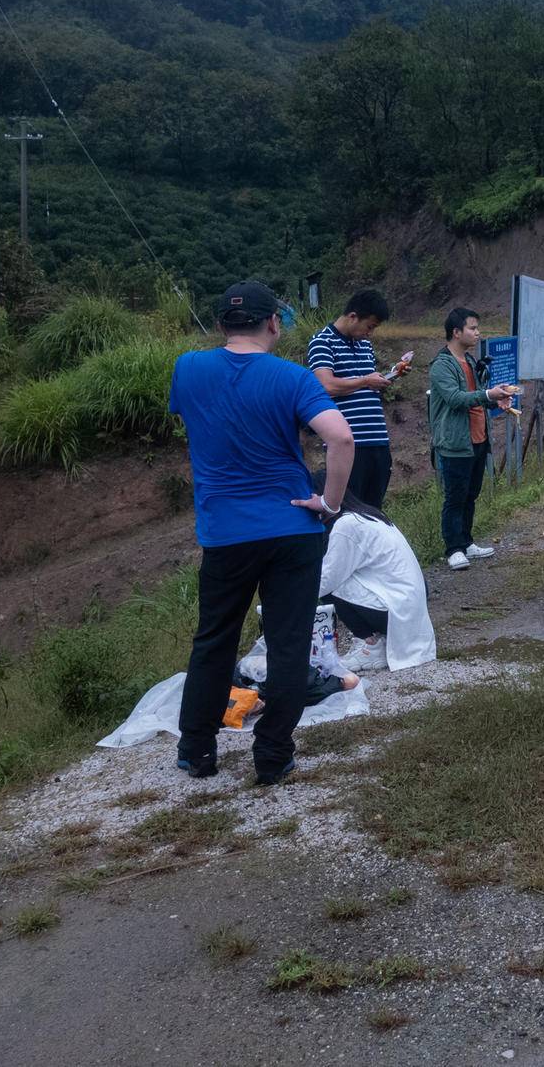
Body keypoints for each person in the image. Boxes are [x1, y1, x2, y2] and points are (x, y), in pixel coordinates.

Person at [168, 279, 354, 787]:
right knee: (289, 643)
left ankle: (197, 752)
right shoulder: (292, 378)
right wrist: (330, 504)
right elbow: (339, 437)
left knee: (214, 640)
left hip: (225, 532)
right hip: (292, 528)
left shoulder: (187, 369)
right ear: (274, 323)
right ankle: (272, 756)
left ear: (221, 325)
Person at [427, 307, 518, 572]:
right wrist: (489, 394)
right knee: (455, 497)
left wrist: (496, 401)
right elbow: (456, 399)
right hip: (456, 442)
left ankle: (466, 542)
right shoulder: (442, 365)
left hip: (477, 438)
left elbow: (476, 399)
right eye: (472, 328)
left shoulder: (469, 361)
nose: (478, 333)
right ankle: (453, 548)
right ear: (456, 332)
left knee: (471, 494)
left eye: (477, 328)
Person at [305, 289, 411, 510]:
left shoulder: (365, 346)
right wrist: (365, 381)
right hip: (347, 444)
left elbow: (363, 385)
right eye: (369, 326)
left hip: (377, 441)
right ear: (353, 316)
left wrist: (389, 376)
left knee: (374, 512)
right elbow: (325, 385)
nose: (370, 333)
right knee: (348, 513)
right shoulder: (322, 341)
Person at [315, 497, 437, 674]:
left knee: (328, 585)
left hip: (395, 609)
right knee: (339, 577)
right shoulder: (369, 515)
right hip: (409, 604)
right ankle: (379, 640)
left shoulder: (346, 524)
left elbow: (328, 578)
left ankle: (370, 644)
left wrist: (289, 596)